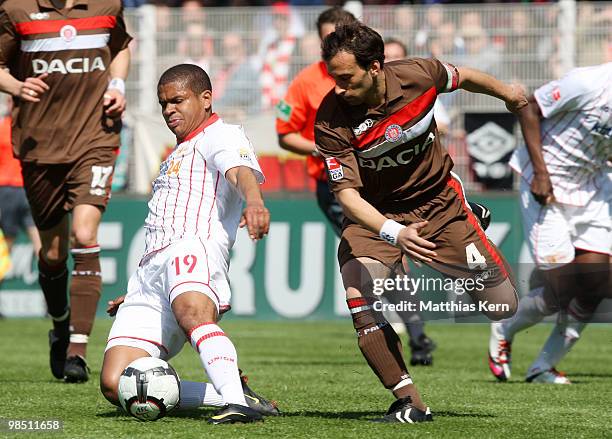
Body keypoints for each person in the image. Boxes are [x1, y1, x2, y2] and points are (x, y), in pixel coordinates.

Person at [314, 22, 525, 423]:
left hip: (439, 205)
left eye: (346, 78)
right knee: (360, 291)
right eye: (333, 78)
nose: (337, 88)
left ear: (375, 67)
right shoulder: (331, 118)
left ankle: (467, 216)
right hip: (376, 215)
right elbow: (346, 196)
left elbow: (463, 76)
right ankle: (410, 402)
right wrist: (395, 233)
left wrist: (508, 93)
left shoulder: (418, 75)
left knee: (502, 306)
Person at [99, 64, 274, 424]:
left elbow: (239, 172)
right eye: (163, 104)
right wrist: (141, 288)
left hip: (192, 249)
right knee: (116, 383)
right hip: (150, 275)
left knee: (194, 315)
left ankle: (237, 406)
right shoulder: (178, 151)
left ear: (206, 99)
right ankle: (230, 394)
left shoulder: (220, 135)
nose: (169, 110)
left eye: (177, 100)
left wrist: (254, 202)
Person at [0, 0, 131, 382]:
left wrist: (118, 85)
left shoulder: (107, 4)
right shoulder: (16, 10)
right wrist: (16, 86)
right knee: (53, 255)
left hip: (96, 138)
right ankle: (60, 325)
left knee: (85, 234)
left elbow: (121, 45)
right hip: (40, 145)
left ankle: (77, 348)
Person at [488, 63, 612, 384]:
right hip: (547, 183)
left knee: (593, 286)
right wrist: (541, 174)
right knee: (563, 286)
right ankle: (505, 326)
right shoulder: (587, 83)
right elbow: (528, 107)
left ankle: (543, 367)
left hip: (595, 186)